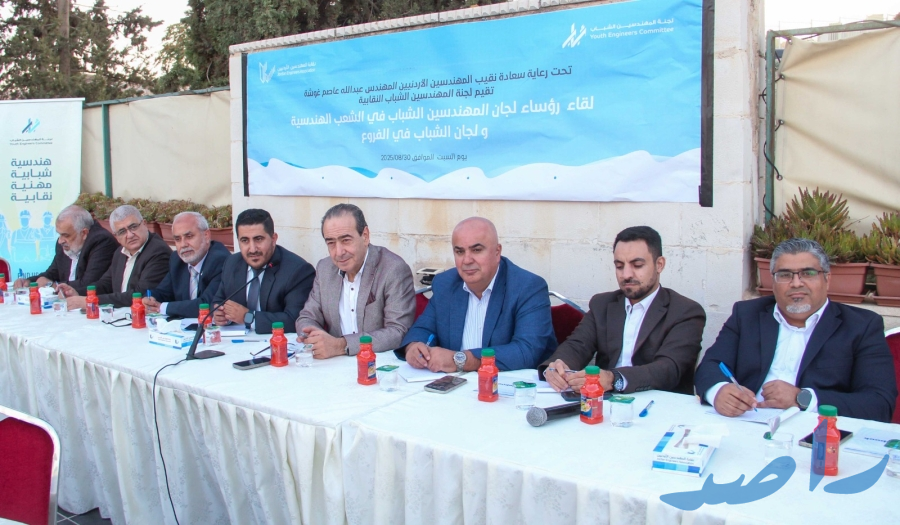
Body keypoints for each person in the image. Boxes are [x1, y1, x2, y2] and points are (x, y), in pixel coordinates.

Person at [695, 238, 897, 423]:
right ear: (773, 282)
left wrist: (802, 398)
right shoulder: (747, 314)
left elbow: (879, 404)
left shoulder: (861, 326)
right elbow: (710, 366)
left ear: (827, 279)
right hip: (744, 422)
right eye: (785, 275)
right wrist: (718, 391)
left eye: (808, 273)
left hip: (815, 431)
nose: (796, 283)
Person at [541, 226, 706, 395]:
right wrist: (557, 367)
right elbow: (577, 346)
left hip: (660, 403)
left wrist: (614, 379)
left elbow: (668, 369)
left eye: (637, 265)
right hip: (604, 402)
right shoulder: (602, 304)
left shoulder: (685, 312)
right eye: (619, 266)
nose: (626, 274)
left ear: (659, 265)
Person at [399, 217, 556, 372]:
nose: (467, 260)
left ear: (497, 252)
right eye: (459, 252)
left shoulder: (528, 287)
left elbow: (526, 351)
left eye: (476, 250)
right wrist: (414, 347)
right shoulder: (445, 284)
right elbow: (423, 329)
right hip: (453, 383)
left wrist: (460, 360)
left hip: (507, 383)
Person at [295, 204, 416, 358]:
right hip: (333, 362)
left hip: (379, 362)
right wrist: (313, 336)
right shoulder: (325, 268)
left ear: (365, 236)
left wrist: (341, 345)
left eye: (346, 240)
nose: (339, 252)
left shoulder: (393, 269)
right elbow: (307, 317)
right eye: (331, 243)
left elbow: (398, 332)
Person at [211, 208, 315, 334]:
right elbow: (218, 301)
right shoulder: (232, 263)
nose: (252, 249)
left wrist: (248, 317)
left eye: (258, 239)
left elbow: (295, 320)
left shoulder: (298, 271)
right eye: (245, 240)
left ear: (273, 239)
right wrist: (220, 314)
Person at [58, 205, 171, 308]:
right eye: (122, 232)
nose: (130, 235)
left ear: (145, 224)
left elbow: (140, 295)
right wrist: (78, 292)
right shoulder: (120, 252)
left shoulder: (158, 252)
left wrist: (90, 301)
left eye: (133, 227)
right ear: (116, 236)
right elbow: (105, 284)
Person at [143, 211, 230, 319]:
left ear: (206, 235)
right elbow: (163, 292)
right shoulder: (177, 260)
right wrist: (150, 299)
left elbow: (206, 304)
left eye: (189, 236)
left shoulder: (221, 261)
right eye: (178, 239)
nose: (183, 244)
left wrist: (162, 307)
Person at [13, 205, 117, 295]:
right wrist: (29, 282)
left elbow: (89, 284)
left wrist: (53, 286)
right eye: (59, 234)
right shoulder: (64, 243)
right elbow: (51, 274)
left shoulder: (101, 241)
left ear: (84, 233)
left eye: (65, 235)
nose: (60, 241)